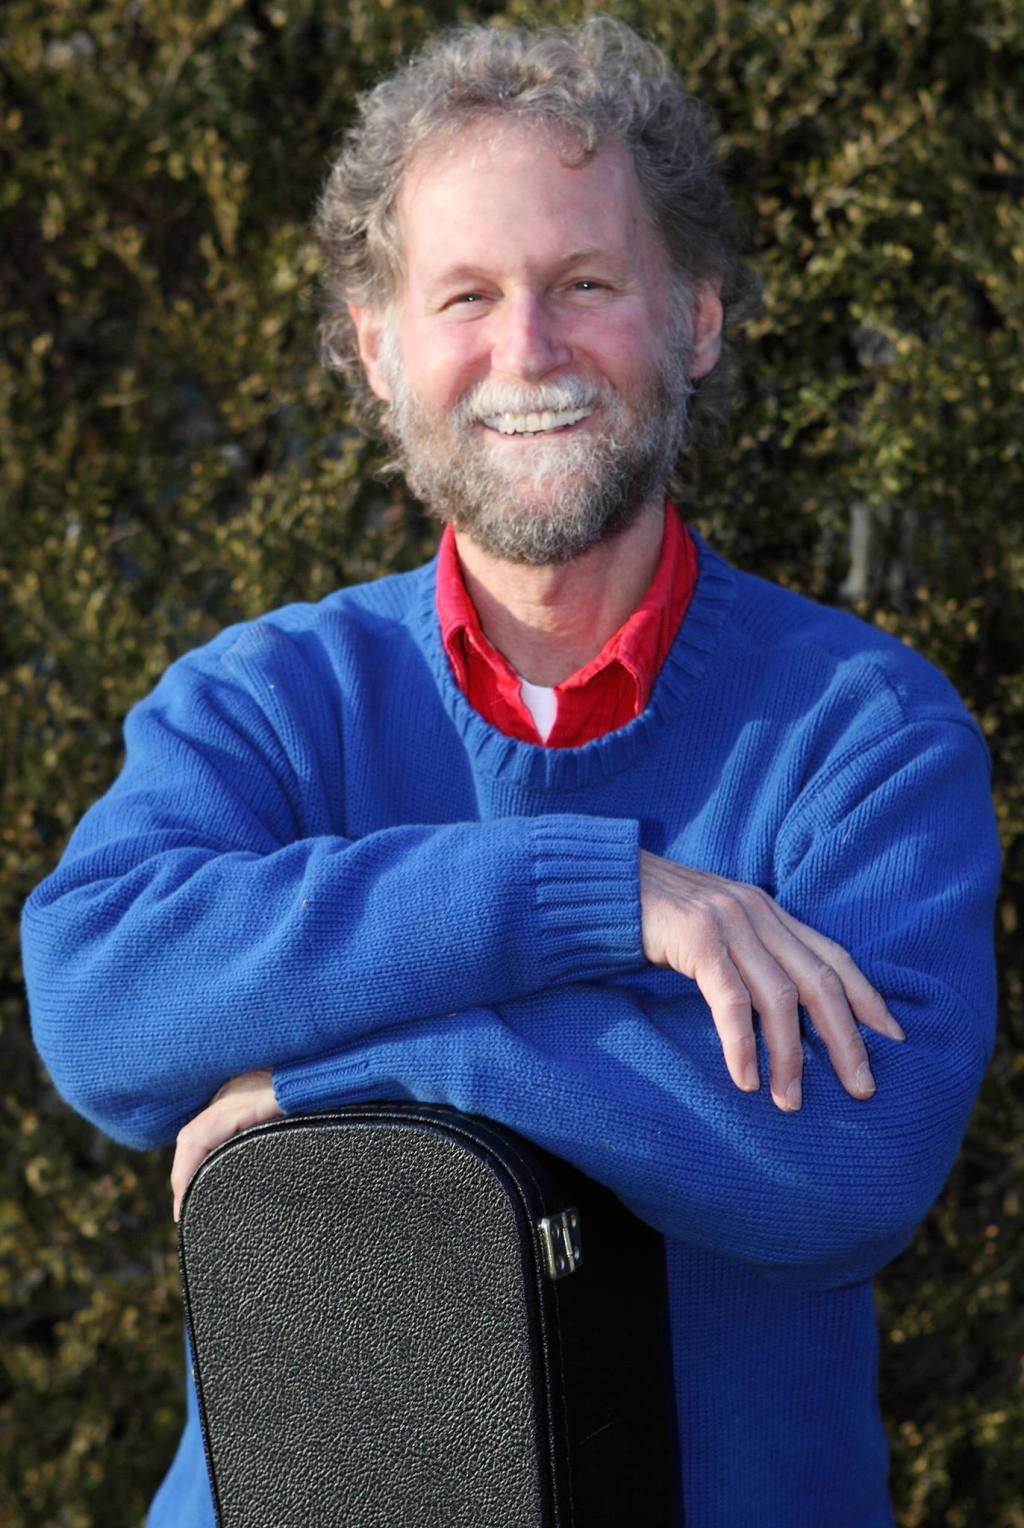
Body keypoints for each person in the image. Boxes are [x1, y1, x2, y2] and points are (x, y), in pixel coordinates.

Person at [22, 18, 999, 1528]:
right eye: (466, 295)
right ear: (377, 348)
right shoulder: (262, 703)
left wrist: (373, 1070)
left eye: (586, 284)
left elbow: (848, 1165)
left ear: (696, 320)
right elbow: (99, 1000)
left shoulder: (864, 734)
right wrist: (598, 899)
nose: (527, 351)